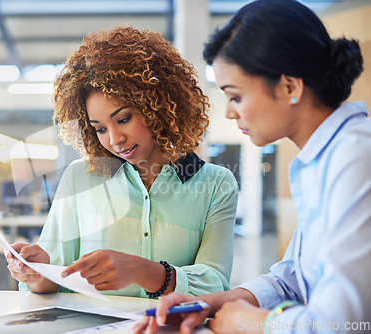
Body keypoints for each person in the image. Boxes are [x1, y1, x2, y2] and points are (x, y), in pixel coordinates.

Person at [134, 0, 370, 333]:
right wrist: (218, 302)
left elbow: (341, 324)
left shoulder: (356, 157)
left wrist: (251, 323)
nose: (230, 112)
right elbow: (291, 279)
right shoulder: (321, 159)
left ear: (290, 86)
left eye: (236, 96)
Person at [4, 26, 238, 298]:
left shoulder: (215, 184)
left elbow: (216, 284)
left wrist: (144, 271)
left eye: (124, 119)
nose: (115, 139)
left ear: (158, 105)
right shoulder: (81, 177)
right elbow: (52, 279)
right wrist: (37, 272)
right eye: (100, 129)